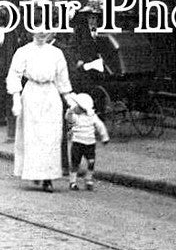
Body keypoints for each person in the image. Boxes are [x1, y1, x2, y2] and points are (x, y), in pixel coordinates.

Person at [6, 21, 77, 193]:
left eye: (45, 29)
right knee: (33, 137)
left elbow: (63, 80)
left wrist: (70, 101)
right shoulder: (23, 52)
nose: (42, 33)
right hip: (31, 96)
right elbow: (14, 75)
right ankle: (35, 172)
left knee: (50, 137)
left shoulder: (56, 53)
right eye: (37, 29)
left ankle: (48, 177)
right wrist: (16, 99)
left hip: (51, 96)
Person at [66, 93, 109, 190]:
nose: (76, 107)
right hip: (77, 142)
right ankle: (73, 181)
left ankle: (88, 179)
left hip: (90, 143)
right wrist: (70, 112)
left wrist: (104, 137)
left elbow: (100, 126)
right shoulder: (75, 116)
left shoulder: (92, 116)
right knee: (75, 163)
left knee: (91, 161)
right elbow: (69, 119)